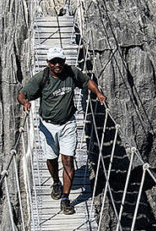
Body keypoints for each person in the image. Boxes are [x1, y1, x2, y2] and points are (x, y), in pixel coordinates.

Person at [17, 46, 107, 215]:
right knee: (51, 158)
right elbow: (22, 94)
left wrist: (98, 93)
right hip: (48, 126)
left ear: (64, 61)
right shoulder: (41, 78)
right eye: (53, 62)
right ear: (48, 63)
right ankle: (56, 182)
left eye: (60, 61)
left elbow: (87, 81)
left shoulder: (71, 72)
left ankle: (65, 198)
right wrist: (25, 103)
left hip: (68, 124)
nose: (57, 64)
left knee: (67, 160)